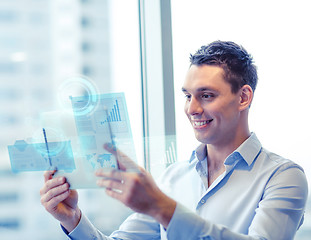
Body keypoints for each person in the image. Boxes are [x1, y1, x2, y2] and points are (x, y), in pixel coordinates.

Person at [40, 40, 308, 240]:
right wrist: (72, 218)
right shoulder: (174, 178)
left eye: (206, 95)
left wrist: (162, 207)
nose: (192, 108)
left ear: (243, 97)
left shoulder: (283, 177)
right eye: (187, 96)